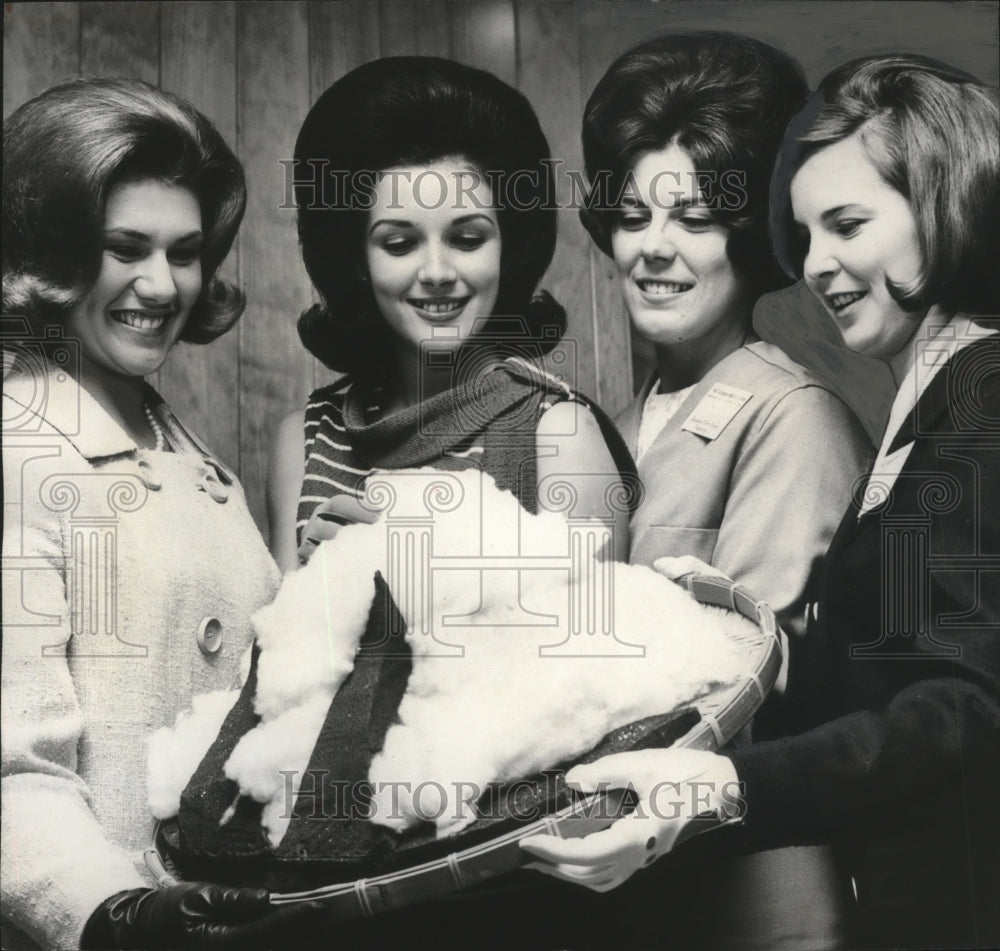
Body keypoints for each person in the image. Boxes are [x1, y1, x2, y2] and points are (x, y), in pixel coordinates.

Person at [522, 53, 1000, 951]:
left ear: (947, 206)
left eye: (849, 224)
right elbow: (883, 678)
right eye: (807, 234)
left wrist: (724, 786)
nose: (818, 265)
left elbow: (969, 710)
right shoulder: (933, 404)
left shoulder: (984, 398)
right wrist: (734, 625)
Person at [1, 78, 310, 950]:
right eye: (125, 248)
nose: (162, 284)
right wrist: (119, 913)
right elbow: (10, 770)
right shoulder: (21, 453)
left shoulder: (183, 444)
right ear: (50, 253)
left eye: (184, 251)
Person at [267, 56, 635, 572]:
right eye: (399, 243)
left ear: (509, 247)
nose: (437, 271)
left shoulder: (559, 436)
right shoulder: (305, 438)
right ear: (357, 261)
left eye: (467, 239)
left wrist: (416, 575)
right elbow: (282, 648)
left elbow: (591, 644)